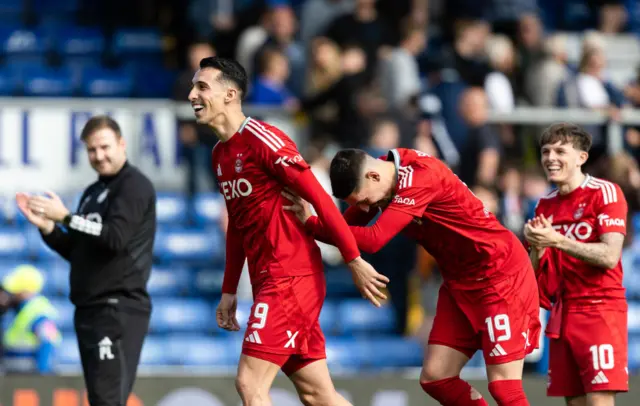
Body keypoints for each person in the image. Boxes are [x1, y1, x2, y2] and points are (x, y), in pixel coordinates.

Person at [188, 56, 389, 406]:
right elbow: (238, 223)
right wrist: (229, 289)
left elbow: (321, 200)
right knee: (317, 394)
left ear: (230, 94)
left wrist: (353, 259)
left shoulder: (264, 139)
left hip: (290, 277)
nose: (192, 94)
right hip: (272, 278)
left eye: (202, 87)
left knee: (250, 384)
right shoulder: (220, 154)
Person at [283, 147, 541, 406]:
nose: (364, 208)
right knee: (437, 378)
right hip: (460, 281)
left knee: (504, 388)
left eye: (362, 200)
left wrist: (312, 224)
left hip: (499, 277)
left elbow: (373, 239)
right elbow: (345, 227)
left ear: (373, 176)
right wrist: (310, 221)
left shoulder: (419, 178)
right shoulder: (384, 175)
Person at [15, 116, 156, 406]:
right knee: (101, 399)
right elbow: (78, 251)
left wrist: (66, 217)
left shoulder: (134, 186)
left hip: (117, 308)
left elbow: (115, 238)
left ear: (122, 144)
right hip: (90, 310)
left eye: (105, 147)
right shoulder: (93, 192)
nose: (99, 156)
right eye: (92, 150)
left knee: (107, 400)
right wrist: (48, 226)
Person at [524, 123, 628, 405]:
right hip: (563, 313)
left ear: (582, 157)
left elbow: (609, 256)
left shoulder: (605, 193)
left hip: (600, 310)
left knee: (599, 402)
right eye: (546, 151)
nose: (550, 157)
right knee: (575, 403)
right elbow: (536, 275)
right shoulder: (544, 204)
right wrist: (537, 247)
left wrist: (556, 240)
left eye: (560, 150)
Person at [2, 265, 61, 375]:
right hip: (15, 377)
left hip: (29, 380)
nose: (11, 294)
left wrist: (41, 379)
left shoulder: (38, 311)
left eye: (15, 291)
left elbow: (47, 342)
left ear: (24, 291)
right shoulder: (19, 311)